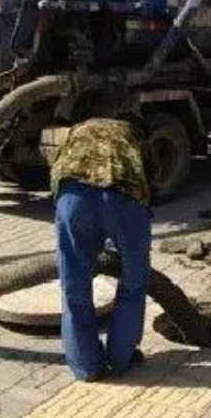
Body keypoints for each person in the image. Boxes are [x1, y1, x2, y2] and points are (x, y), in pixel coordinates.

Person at [49, 117, 152, 382]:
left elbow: (57, 173)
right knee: (133, 282)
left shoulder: (76, 131)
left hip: (74, 200)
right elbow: (147, 175)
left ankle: (87, 367)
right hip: (124, 197)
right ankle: (121, 358)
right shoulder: (132, 131)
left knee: (74, 286)